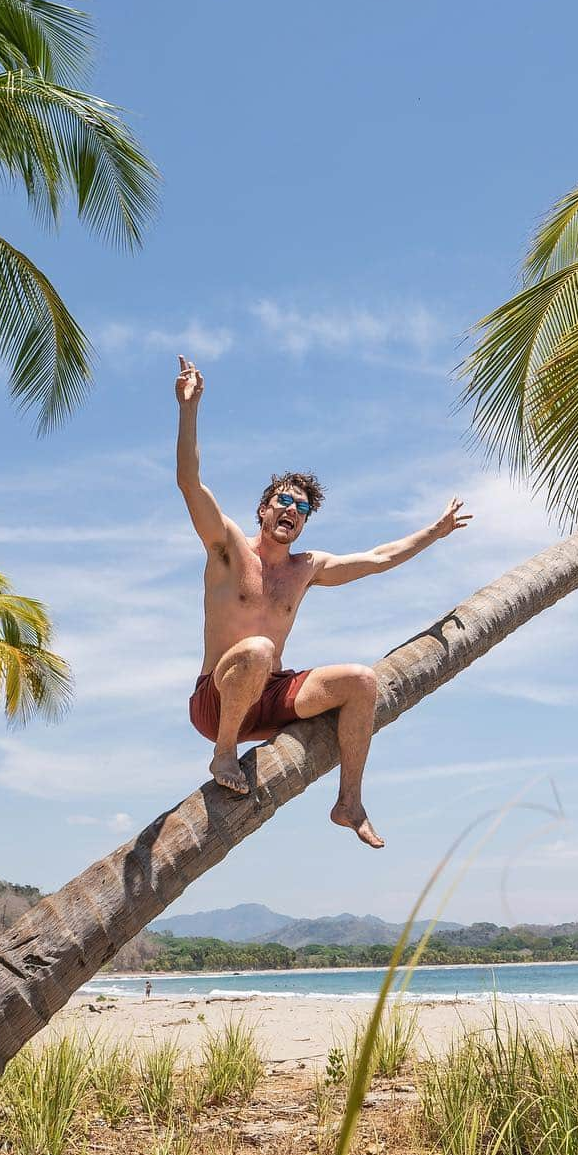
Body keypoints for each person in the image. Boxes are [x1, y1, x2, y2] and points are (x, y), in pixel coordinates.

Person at [175, 356, 471, 848]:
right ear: (264, 509)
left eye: (302, 507)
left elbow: (378, 558)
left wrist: (435, 532)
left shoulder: (306, 568)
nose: (292, 510)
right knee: (257, 649)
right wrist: (189, 409)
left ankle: (348, 802)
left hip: (269, 696)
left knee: (361, 680)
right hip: (218, 700)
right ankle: (224, 753)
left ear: (306, 522)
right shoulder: (227, 547)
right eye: (284, 501)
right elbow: (190, 483)